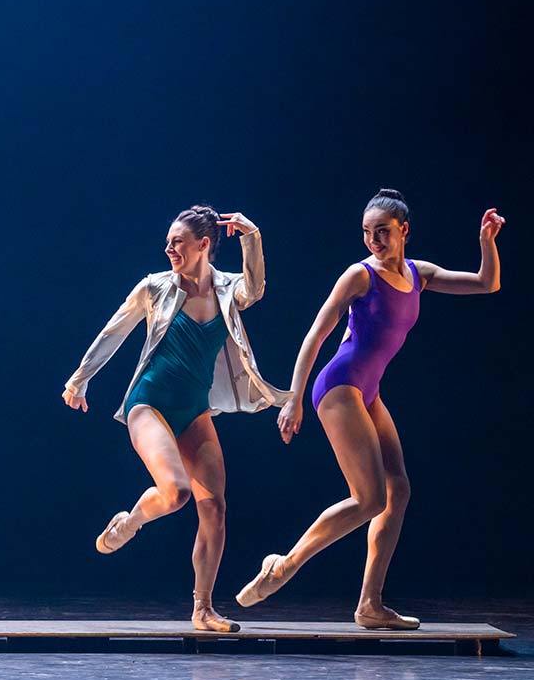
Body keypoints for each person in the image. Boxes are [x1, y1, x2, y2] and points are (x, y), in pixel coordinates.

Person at [236, 191, 504, 629]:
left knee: (398, 489)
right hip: (339, 387)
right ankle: (283, 566)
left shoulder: (420, 274)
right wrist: (293, 399)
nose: (373, 240)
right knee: (370, 498)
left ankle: (370, 604)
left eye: (382, 231)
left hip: (368, 392)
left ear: (404, 231)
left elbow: (485, 282)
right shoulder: (359, 276)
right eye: (366, 232)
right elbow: (315, 336)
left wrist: (486, 239)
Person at [63, 207, 289, 632]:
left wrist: (251, 236)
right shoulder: (155, 287)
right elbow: (115, 331)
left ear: (203, 245)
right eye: (168, 241)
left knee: (215, 508)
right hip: (147, 404)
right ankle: (129, 522)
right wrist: (79, 380)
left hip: (193, 411)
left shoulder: (227, 290)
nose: (169, 248)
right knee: (176, 493)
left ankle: (202, 609)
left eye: (177, 241)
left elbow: (254, 289)